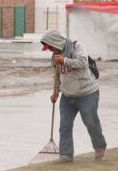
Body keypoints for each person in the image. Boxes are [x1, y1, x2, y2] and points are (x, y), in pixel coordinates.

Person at [40, 30, 107, 162]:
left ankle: (100, 146)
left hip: (87, 93)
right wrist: (55, 93)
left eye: (51, 47)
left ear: (56, 42)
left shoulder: (77, 47)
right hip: (67, 96)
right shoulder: (55, 57)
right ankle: (66, 155)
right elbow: (58, 76)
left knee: (90, 122)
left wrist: (64, 60)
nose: (50, 50)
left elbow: (82, 63)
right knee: (64, 125)